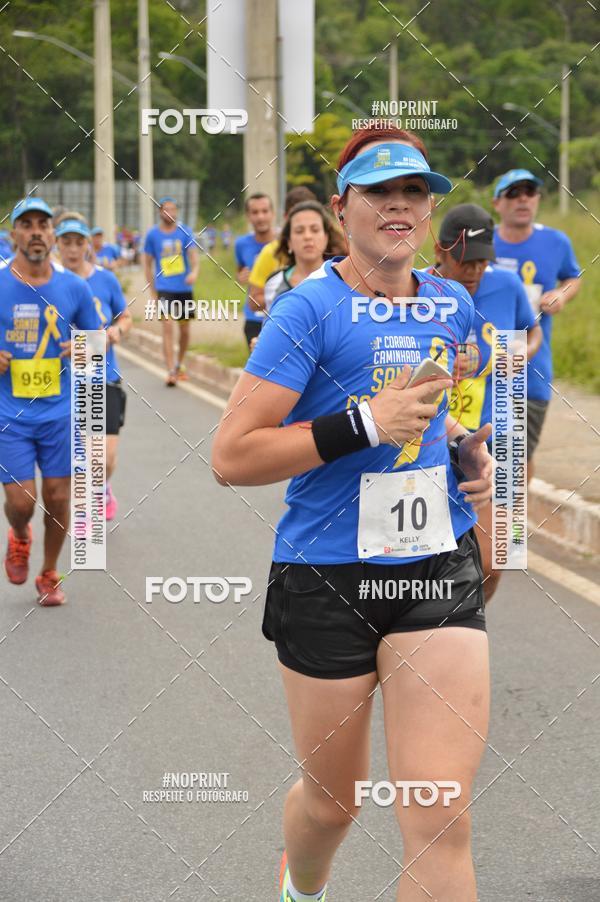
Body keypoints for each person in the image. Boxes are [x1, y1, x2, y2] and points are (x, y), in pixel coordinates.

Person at [213, 126, 494, 902]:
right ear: (344, 211)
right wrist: (363, 424)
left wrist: (468, 452)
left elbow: (432, 418)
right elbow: (233, 455)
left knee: (440, 815)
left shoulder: (451, 304)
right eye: (380, 192)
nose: (399, 206)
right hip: (325, 576)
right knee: (333, 804)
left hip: (436, 567)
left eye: (414, 193)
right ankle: (303, 886)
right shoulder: (308, 310)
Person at [432, 203, 542, 601]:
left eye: (483, 262)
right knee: (429, 555)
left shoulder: (507, 285)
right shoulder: (420, 290)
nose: (475, 271)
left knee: (497, 558)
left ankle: (468, 620)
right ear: (441, 252)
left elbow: (533, 335)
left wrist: (509, 356)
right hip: (436, 437)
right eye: (466, 261)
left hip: (499, 430)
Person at [0, 198, 100, 605]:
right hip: (11, 414)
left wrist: (82, 350)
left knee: (59, 496)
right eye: (27, 224)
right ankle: (20, 534)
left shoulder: (74, 286)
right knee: (21, 502)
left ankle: (49, 572)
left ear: (53, 236)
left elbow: (96, 345)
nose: (37, 231)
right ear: (14, 236)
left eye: (43, 224)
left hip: (60, 412)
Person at [492, 169, 581, 480]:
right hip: (481, 366)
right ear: (496, 203)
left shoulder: (555, 241)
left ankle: (515, 526)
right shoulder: (482, 243)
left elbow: (573, 277)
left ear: (539, 199)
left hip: (531, 368)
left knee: (518, 460)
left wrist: (561, 295)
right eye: (513, 193)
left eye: (530, 192)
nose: (523, 199)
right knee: (475, 455)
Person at [55, 217, 132, 521]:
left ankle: (103, 487)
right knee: (81, 454)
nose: (73, 249)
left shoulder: (105, 280)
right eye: (66, 242)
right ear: (56, 244)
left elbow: (125, 317)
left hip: (103, 376)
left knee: (107, 457)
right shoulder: (49, 282)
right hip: (63, 380)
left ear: (88, 244)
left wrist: (117, 332)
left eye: (79, 242)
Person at [143, 196, 199, 386]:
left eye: (174, 209)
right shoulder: (152, 235)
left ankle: (179, 362)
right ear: (160, 212)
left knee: (184, 330)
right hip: (164, 288)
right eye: (167, 209)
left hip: (183, 287)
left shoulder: (184, 231)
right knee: (167, 326)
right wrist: (152, 292)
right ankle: (170, 370)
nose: (171, 213)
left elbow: (193, 256)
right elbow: (147, 264)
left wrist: (194, 273)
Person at [246, 186, 318, 315]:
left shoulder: (333, 253)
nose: (306, 234)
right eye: (297, 219)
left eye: (310, 222)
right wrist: (287, 295)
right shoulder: (271, 252)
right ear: (286, 217)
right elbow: (253, 301)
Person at [262, 201, 340, 315]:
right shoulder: (274, 283)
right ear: (289, 242)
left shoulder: (343, 280)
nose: (307, 236)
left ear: (326, 237)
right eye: (299, 231)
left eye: (315, 230)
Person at [234, 193, 276, 347]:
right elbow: (240, 271)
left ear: (272, 213)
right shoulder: (241, 244)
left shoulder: (286, 242)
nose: (260, 217)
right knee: (258, 370)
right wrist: (241, 277)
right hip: (254, 317)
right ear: (248, 216)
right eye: (255, 212)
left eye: (265, 211)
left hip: (280, 317)